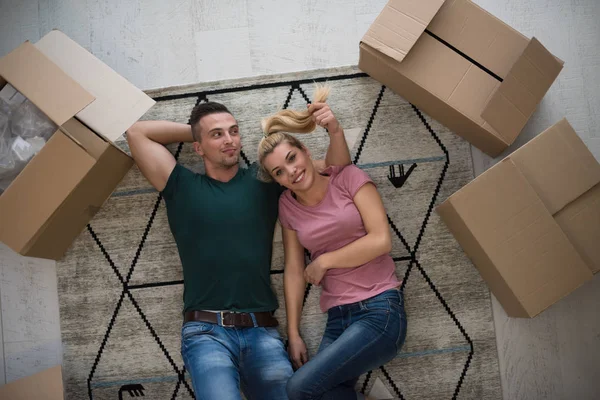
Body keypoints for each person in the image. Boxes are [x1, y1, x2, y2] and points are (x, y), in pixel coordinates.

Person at [125, 97, 352, 399]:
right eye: (217, 134)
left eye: (234, 131)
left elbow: (337, 168)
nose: (229, 140)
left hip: (263, 331)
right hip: (206, 333)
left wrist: (334, 130)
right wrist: (196, 129)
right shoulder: (181, 185)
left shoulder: (264, 178)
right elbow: (136, 133)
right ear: (198, 146)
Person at [257, 86, 408, 400]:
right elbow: (295, 270)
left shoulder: (349, 178)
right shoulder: (288, 206)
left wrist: (325, 261)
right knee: (323, 396)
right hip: (338, 318)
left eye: (292, 158)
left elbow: (381, 241)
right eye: (279, 171)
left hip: (380, 311)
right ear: (277, 180)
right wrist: (295, 333)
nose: (292, 171)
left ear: (306, 152)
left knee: (299, 389)